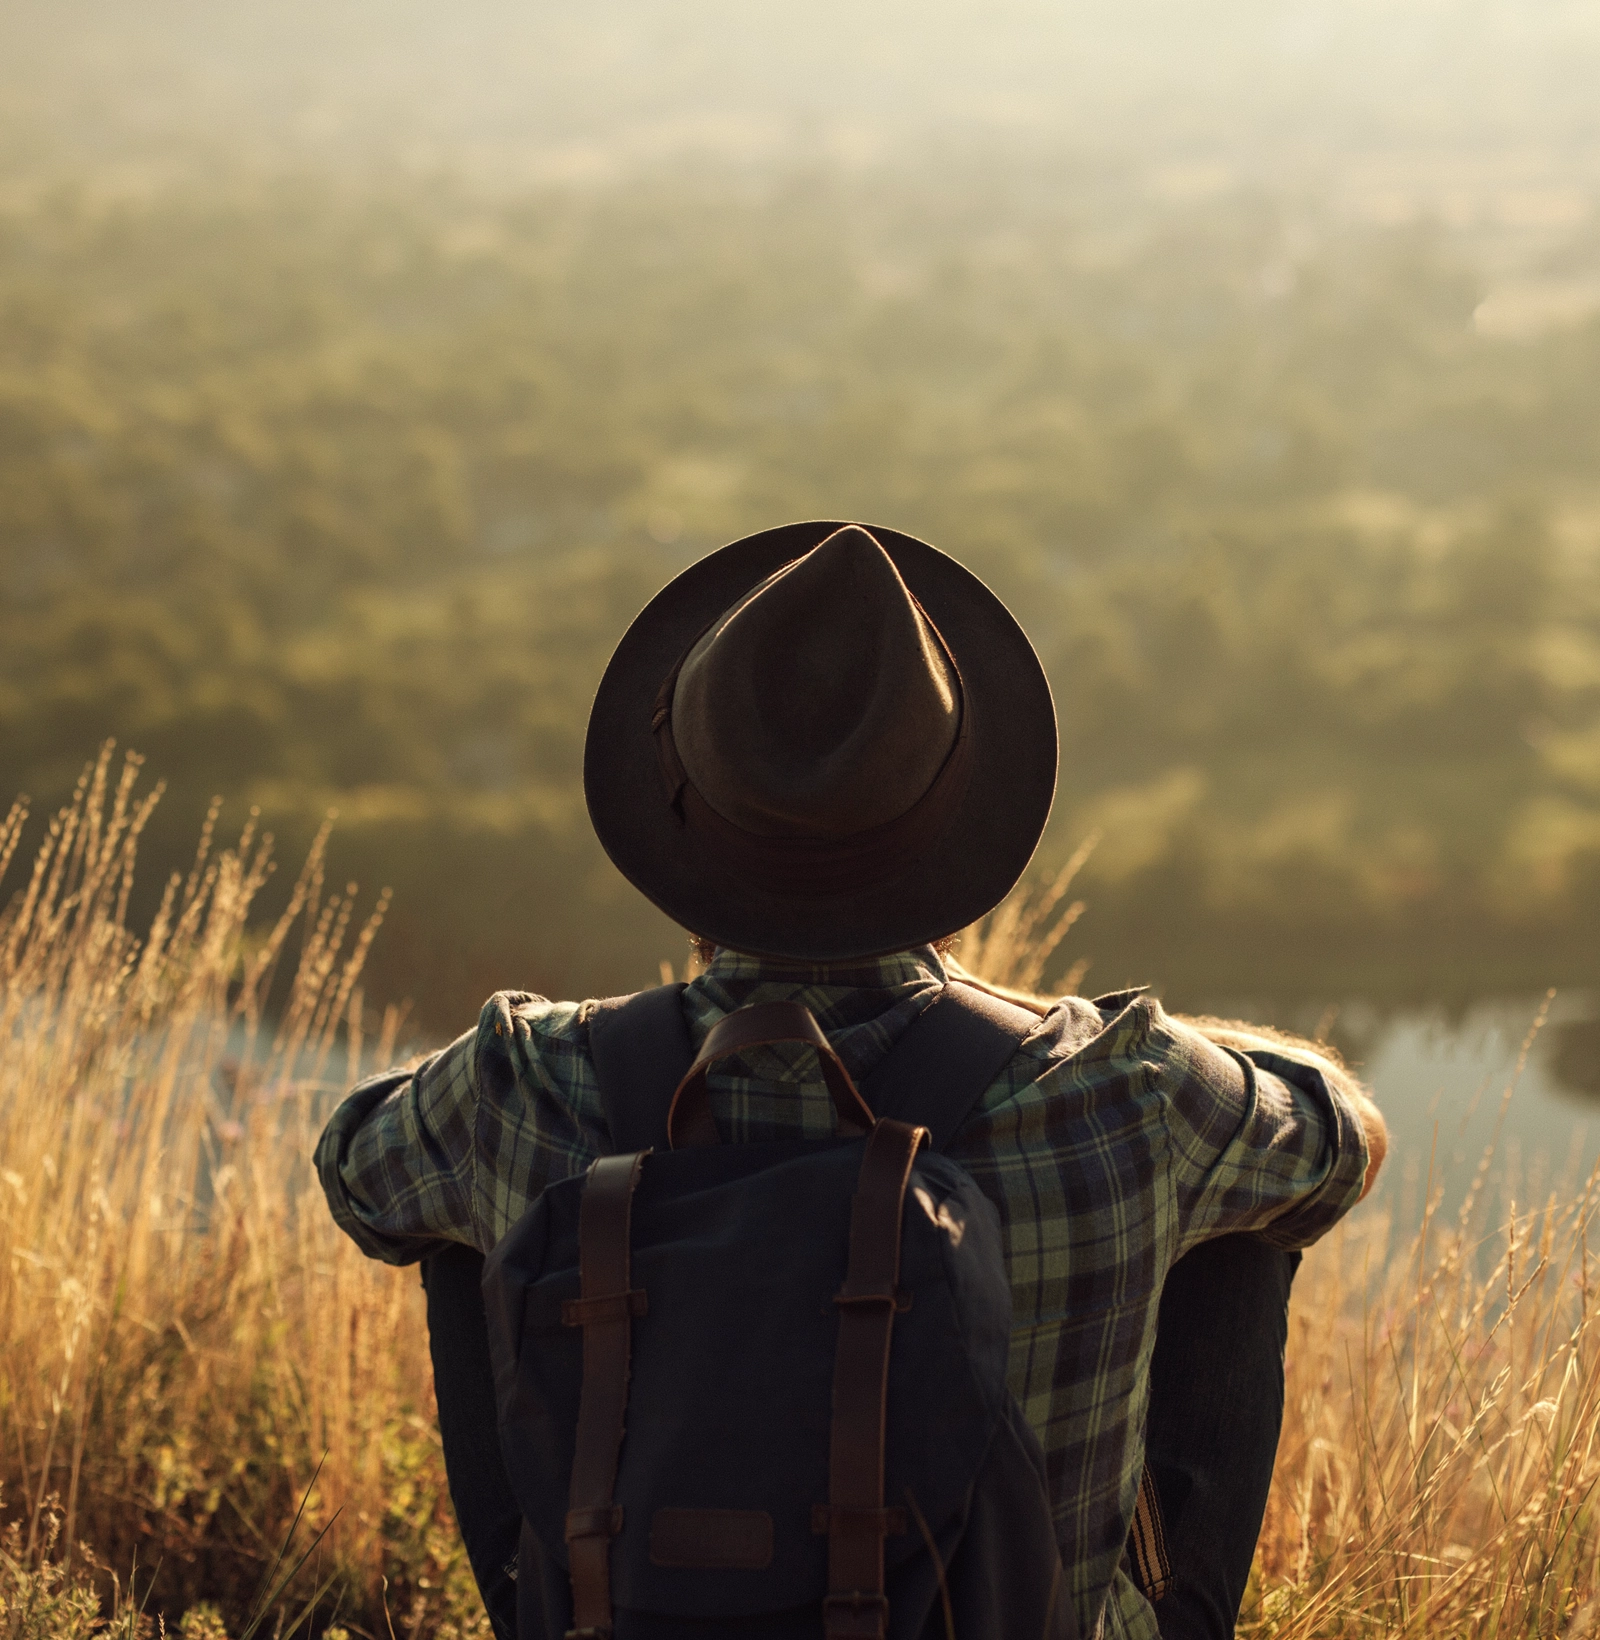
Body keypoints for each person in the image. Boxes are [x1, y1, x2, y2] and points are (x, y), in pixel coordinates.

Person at [315, 520, 1386, 1640]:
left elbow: (355, 1171)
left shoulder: (516, 1082)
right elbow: (1340, 1146)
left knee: (453, 1228)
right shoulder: (1129, 1087)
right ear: (954, 817)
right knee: (1250, 1220)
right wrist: (1162, 1042)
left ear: (677, 809)